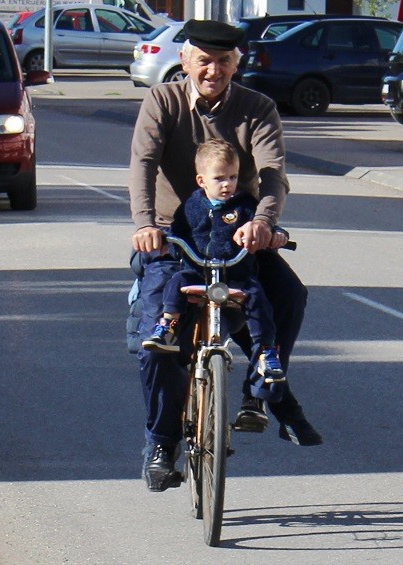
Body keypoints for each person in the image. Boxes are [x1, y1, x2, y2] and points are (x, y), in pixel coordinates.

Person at [129, 19, 322, 493]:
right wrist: (145, 224)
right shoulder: (163, 101)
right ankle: (161, 443)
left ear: (237, 64)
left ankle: (261, 392)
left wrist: (264, 222)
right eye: (204, 61)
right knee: (156, 336)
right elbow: (144, 163)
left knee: (288, 295)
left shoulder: (257, 108)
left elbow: (273, 171)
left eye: (223, 62)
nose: (213, 70)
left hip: (239, 238)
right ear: (185, 60)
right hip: (174, 240)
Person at [141, 139, 286, 386]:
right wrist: (166, 241)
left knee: (257, 296)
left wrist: (275, 234)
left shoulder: (245, 206)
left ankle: (266, 351)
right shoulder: (191, 206)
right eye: (219, 178)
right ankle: (168, 326)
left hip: (235, 273)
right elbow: (177, 233)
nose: (227, 184)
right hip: (199, 271)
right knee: (175, 281)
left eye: (232, 177)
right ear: (201, 181)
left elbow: (264, 226)